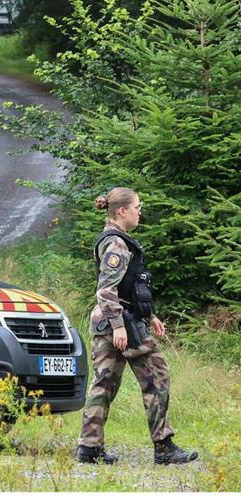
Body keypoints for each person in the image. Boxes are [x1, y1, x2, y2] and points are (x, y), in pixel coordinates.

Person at [76, 187, 197, 465]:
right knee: (157, 374)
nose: (139, 212)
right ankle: (164, 447)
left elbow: (132, 285)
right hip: (120, 323)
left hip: (112, 320)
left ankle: (89, 448)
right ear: (122, 210)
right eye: (137, 207)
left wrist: (150, 315)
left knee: (104, 382)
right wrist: (119, 326)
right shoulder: (116, 244)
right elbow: (106, 289)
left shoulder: (121, 240)